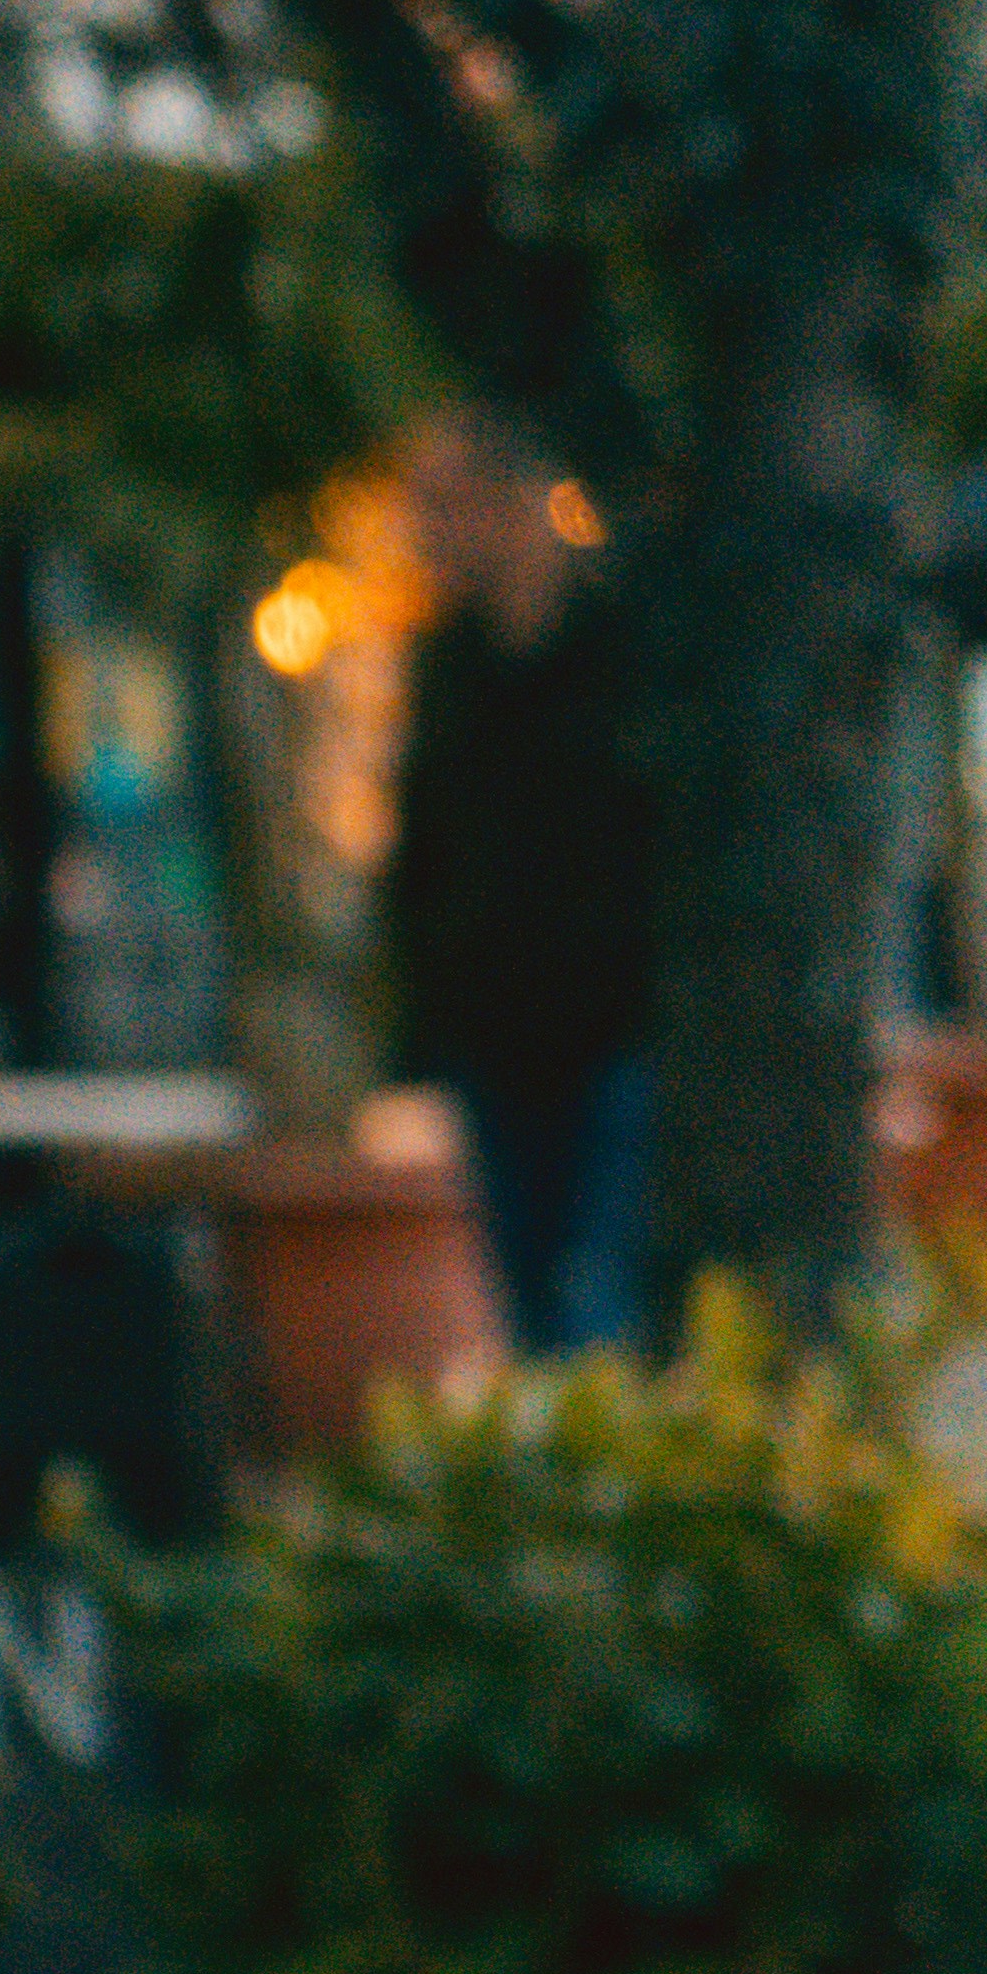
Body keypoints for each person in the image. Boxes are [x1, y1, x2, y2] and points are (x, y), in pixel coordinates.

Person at [371, 407, 655, 1357]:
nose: (430, 533)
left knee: (596, 1290)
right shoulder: (448, 659)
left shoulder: (619, 647)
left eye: (448, 507)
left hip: (618, 1029)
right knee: (532, 1296)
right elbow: (425, 845)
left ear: (511, 503)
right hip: (495, 1035)